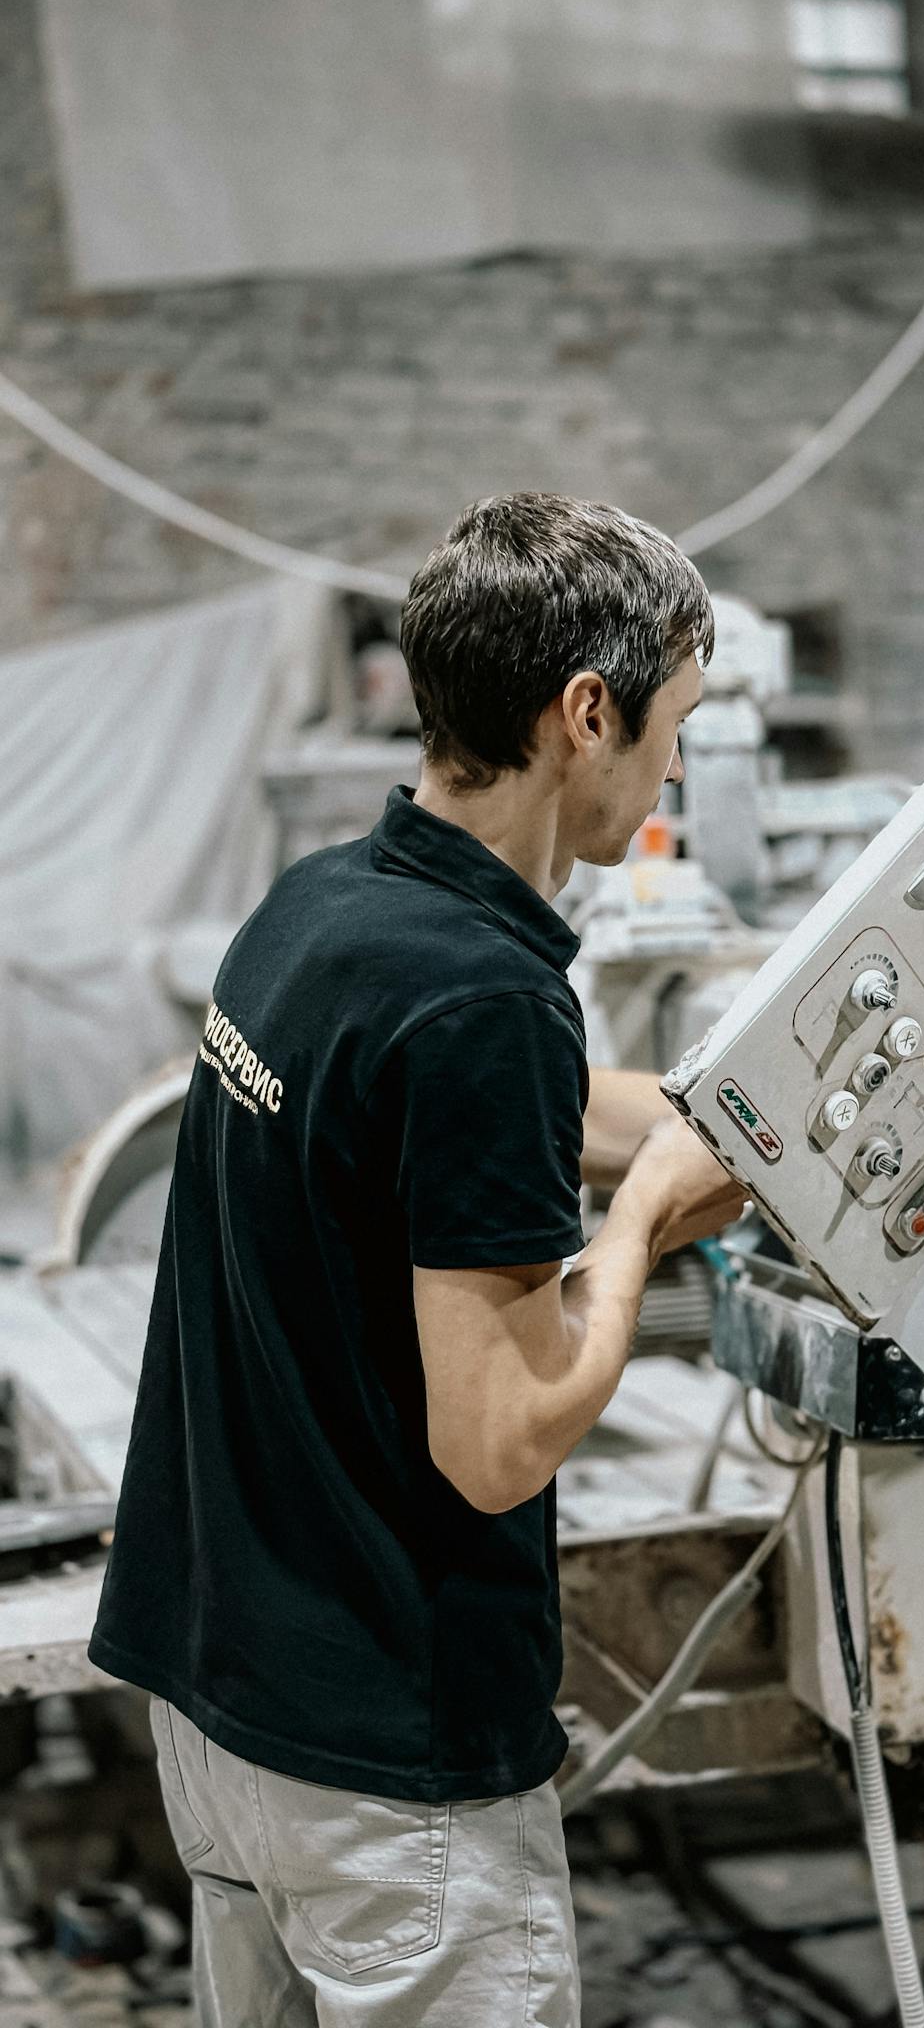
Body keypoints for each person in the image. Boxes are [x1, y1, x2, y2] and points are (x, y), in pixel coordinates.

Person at [89, 491, 746, 2026]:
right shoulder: (484, 1002)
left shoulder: (324, 912)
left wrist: (753, 1121)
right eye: (674, 728)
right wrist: (643, 1223)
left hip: (225, 1701)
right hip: (392, 1764)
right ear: (587, 712)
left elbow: (459, 1117)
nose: (673, 770)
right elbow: (499, 1443)